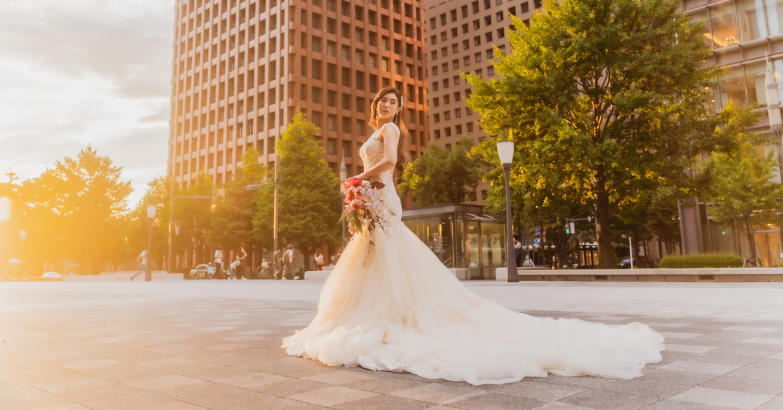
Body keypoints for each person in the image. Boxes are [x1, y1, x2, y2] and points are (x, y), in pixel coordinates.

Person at [282, 86, 664, 385]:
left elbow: (392, 163)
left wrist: (358, 179)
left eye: (393, 102)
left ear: (399, 109)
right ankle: (372, 315)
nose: (387, 105)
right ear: (376, 105)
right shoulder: (377, 129)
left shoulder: (392, 129)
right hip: (374, 198)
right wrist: (362, 190)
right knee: (372, 258)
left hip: (383, 197)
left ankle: (392, 318)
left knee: (385, 256)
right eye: (383, 100)